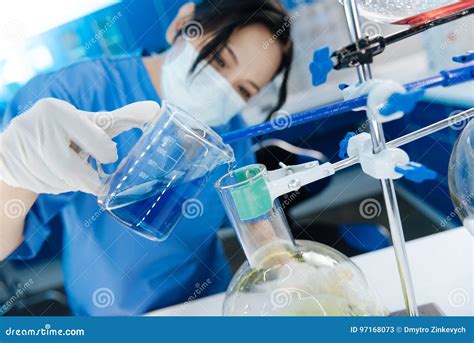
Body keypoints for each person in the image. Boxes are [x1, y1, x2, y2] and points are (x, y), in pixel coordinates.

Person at [0, 1, 293, 315]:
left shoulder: (232, 131)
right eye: (219, 59)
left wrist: (286, 273)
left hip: (208, 306)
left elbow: (256, 219)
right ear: (183, 22)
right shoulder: (79, 91)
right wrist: (12, 175)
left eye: (244, 90)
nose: (221, 89)